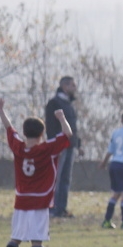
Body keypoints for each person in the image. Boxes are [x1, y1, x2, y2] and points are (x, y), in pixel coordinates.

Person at [0, 97, 71, 247]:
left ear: (25, 132)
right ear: (42, 133)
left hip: (21, 201)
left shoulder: (18, 147)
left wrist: (1, 110)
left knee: (15, 238)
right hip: (40, 201)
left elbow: (9, 129)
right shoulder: (47, 149)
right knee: (37, 240)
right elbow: (68, 134)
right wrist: (61, 118)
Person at [44, 76, 80, 219]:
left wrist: (79, 144)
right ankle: (52, 208)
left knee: (65, 179)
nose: (75, 88)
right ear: (65, 87)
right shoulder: (54, 103)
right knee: (56, 178)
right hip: (59, 146)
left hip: (70, 146)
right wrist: (54, 144)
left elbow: (74, 128)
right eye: (73, 85)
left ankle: (61, 208)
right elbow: (51, 126)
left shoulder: (69, 105)